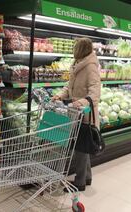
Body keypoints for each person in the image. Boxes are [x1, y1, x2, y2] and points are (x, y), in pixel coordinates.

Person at [52, 37, 101, 191]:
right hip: (75, 112)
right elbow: (69, 86)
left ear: (80, 49)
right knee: (82, 146)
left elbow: (95, 93)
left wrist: (79, 103)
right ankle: (86, 177)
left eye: (75, 47)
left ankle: (79, 182)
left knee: (80, 148)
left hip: (85, 114)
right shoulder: (77, 64)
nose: (73, 50)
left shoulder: (90, 67)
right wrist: (60, 95)